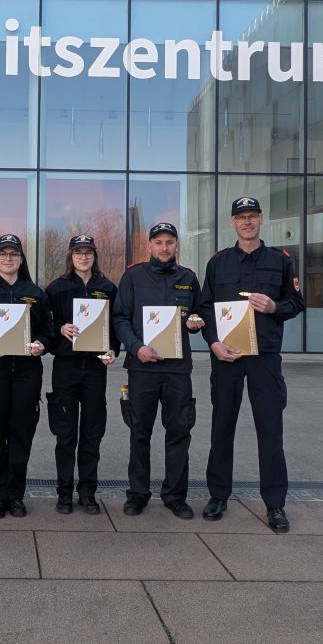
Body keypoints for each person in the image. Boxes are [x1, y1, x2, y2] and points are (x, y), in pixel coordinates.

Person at [197, 196, 305, 533]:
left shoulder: (280, 260)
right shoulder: (218, 262)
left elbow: (297, 302)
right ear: (232, 222)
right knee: (222, 428)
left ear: (261, 220)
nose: (247, 222)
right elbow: (205, 308)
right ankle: (218, 496)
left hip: (265, 358)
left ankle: (275, 504)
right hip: (227, 357)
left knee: (270, 431)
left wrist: (275, 307)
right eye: (241, 217)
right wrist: (213, 343)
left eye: (252, 216)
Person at [112, 222, 205, 519]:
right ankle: (138, 494)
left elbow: (198, 314)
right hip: (142, 368)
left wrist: (194, 323)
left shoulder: (188, 279)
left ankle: (175, 496)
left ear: (176, 244)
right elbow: (120, 318)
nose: (164, 247)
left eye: (169, 242)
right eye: (158, 242)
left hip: (178, 369)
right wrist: (136, 347)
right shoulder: (133, 277)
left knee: (179, 432)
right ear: (149, 245)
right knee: (140, 432)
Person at [0, 234, 52, 518]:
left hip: (27, 373)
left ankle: (15, 495)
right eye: (3, 254)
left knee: (21, 435)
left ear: (21, 259)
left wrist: (41, 344)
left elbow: (48, 330)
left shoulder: (36, 293)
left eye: (14, 254)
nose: (8, 259)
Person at [45, 234, 118, 515]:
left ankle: (88, 493)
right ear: (70, 256)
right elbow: (44, 325)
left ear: (94, 256)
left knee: (91, 434)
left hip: (96, 369)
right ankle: (64, 493)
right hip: (66, 367)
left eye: (88, 252)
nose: (84, 257)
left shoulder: (107, 288)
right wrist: (59, 328)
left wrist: (113, 349)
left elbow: (115, 326)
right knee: (65, 435)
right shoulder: (57, 288)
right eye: (78, 252)